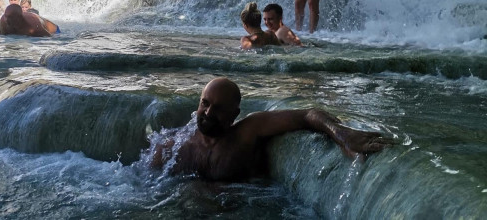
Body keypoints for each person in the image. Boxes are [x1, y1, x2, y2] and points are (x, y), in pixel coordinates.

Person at [152, 77, 390, 181]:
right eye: (205, 103)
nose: (208, 113)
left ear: (234, 115)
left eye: (218, 108)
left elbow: (308, 114)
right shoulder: (173, 145)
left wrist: (342, 134)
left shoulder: (247, 131)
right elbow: (141, 182)